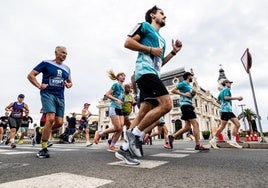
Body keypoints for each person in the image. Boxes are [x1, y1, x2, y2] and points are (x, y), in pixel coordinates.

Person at [115, 5, 182, 165]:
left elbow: (159, 62)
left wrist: (173, 52)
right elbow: (128, 42)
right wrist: (150, 49)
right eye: (162, 13)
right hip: (144, 72)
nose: (165, 16)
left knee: (145, 110)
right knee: (166, 105)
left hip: (153, 72)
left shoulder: (163, 40)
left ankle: (125, 149)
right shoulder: (144, 26)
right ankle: (135, 134)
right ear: (153, 15)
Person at [27, 46, 72, 158]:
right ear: (56, 52)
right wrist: (39, 85)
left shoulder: (67, 68)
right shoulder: (46, 63)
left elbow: (70, 82)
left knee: (59, 123)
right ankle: (43, 148)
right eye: (62, 53)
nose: (64, 55)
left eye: (66, 53)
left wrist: (68, 84)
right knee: (50, 119)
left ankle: (40, 130)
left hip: (60, 97)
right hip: (47, 94)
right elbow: (31, 75)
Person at [169, 72, 209, 151]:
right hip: (186, 105)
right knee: (196, 124)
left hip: (188, 105)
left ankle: (172, 136)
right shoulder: (183, 83)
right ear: (188, 76)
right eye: (191, 76)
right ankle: (198, 145)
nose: (192, 77)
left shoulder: (189, 86)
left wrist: (193, 94)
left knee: (187, 127)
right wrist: (183, 94)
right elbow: (173, 90)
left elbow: (190, 96)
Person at [94, 71, 125, 152]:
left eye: (124, 75)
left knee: (121, 127)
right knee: (117, 127)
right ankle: (100, 133)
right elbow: (107, 94)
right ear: (118, 77)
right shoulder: (116, 85)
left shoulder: (123, 87)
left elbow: (122, 98)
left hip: (120, 108)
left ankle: (111, 144)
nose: (123, 77)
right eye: (121, 75)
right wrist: (116, 99)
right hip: (113, 107)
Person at [209, 79, 243, 149]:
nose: (230, 84)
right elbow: (226, 98)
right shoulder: (227, 90)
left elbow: (217, 100)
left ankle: (213, 140)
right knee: (237, 124)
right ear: (226, 83)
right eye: (230, 83)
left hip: (224, 110)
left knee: (222, 127)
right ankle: (233, 140)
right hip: (227, 110)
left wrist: (222, 104)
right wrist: (237, 98)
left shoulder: (221, 92)